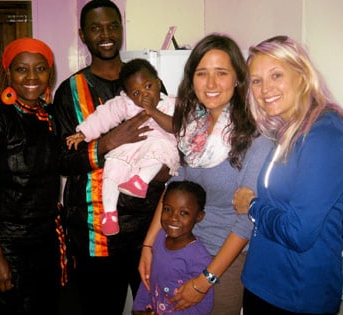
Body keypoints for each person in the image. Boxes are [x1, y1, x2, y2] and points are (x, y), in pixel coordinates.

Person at [139, 33, 273, 315]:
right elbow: (174, 188)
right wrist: (149, 245)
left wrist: (205, 280)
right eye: (202, 73)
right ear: (192, 79)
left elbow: (247, 221)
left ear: (237, 78)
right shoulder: (192, 130)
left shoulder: (255, 137)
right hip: (177, 245)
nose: (211, 84)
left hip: (223, 260)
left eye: (221, 73)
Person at [52, 1, 170, 314]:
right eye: (95, 28)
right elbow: (61, 159)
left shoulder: (145, 79)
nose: (106, 34)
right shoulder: (70, 91)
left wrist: (163, 171)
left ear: (121, 29)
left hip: (149, 228)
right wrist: (107, 143)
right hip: (96, 232)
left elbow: (174, 137)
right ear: (83, 35)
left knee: (154, 308)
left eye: (112, 26)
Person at [233, 35, 343, 314]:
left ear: (302, 75)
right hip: (263, 283)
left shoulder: (324, 133)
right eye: (256, 80)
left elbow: (299, 232)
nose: (264, 88)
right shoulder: (288, 129)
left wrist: (253, 206)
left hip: (297, 295)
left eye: (276, 75)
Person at [0, 38, 62, 315]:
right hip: (7, 241)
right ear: (8, 72)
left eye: (40, 68)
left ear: (49, 74)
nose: (32, 77)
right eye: (22, 69)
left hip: (45, 239)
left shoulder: (49, 116)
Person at [65, 58, 178, 236]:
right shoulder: (126, 104)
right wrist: (83, 133)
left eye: (148, 87)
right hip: (133, 146)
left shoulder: (172, 103)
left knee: (160, 149)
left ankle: (140, 181)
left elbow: (175, 127)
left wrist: (153, 111)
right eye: (136, 93)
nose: (144, 95)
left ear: (158, 83)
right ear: (128, 95)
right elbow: (104, 116)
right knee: (113, 162)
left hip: (159, 144)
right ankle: (109, 213)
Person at [133, 181, 214, 315]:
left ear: (199, 216)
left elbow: (203, 308)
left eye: (184, 213)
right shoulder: (159, 239)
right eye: (167, 209)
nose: (173, 218)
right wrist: (140, 308)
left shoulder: (200, 258)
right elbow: (148, 280)